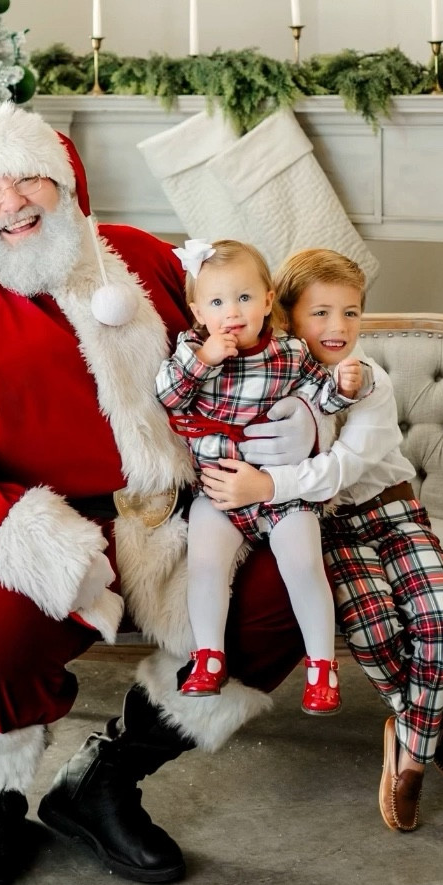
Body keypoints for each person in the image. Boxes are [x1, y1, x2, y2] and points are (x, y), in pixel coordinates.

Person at [0, 101, 321, 885]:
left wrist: (298, 422)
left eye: (28, 177)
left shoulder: (141, 260)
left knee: (286, 590)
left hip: (178, 513)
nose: (12, 203)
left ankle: (106, 779)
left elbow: (254, 341)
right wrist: (10, 530)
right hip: (24, 519)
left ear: (65, 180)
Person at [200, 247, 443, 832]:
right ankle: (427, 726)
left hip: (393, 511)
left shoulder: (366, 378)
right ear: (286, 316)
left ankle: (409, 756)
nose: (338, 328)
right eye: (320, 313)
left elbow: (345, 468)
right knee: (374, 629)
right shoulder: (265, 376)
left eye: (350, 314)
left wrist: (265, 485)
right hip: (330, 528)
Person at [156, 237, 366, 712]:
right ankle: (208, 655)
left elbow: (319, 399)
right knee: (206, 564)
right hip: (220, 490)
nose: (232, 311)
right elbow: (168, 397)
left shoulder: (290, 354)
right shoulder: (193, 352)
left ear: (268, 301)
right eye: (216, 301)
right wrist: (205, 359)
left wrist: (345, 388)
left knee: (304, 564)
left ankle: (321, 667)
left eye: (245, 298)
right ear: (196, 312)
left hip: (282, 490)